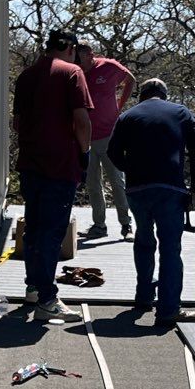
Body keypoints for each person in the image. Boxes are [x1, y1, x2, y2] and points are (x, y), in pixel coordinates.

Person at [107, 77, 195, 327]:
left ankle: (143, 297)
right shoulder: (181, 112)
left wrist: (132, 169)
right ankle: (168, 309)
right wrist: (194, 188)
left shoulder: (128, 116)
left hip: (138, 189)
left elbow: (112, 153)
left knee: (144, 240)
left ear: (142, 95)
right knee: (170, 248)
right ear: (165, 94)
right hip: (170, 187)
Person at [12, 28, 92, 320]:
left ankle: (34, 287)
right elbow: (82, 121)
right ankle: (47, 298)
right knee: (52, 231)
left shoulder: (26, 76)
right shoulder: (72, 73)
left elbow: (18, 123)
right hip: (60, 165)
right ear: (70, 48)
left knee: (34, 227)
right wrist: (84, 154)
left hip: (31, 164)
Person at [73, 36, 134, 240]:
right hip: (86, 137)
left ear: (91, 55)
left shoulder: (108, 66)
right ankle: (99, 225)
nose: (79, 64)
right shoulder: (76, 74)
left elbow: (130, 80)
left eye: (82, 59)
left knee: (117, 181)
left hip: (109, 135)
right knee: (92, 183)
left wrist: (120, 105)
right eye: (76, 60)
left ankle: (126, 225)